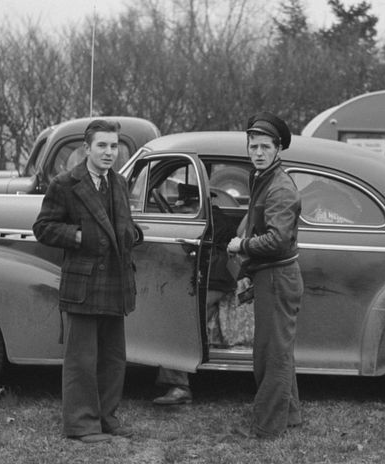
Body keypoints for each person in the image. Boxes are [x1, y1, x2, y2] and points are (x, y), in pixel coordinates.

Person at [32, 119, 143, 444]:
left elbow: (125, 221)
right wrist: (78, 235)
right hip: (84, 284)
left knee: (112, 358)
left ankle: (107, 418)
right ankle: (81, 424)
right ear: (87, 148)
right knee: (82, 359)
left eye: (114, 146)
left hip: (116, 282)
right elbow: (43, 228)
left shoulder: (119, 183)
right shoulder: (65, 184)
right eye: (102, 146)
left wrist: (131, 232)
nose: (109, 152)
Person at [226, 112, 304, 439]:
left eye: (264, 147)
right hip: (269, 275)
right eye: (253, 146)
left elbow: (277, 239)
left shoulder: (280, 187)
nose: (258, 152)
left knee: (272, 354)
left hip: (277, 276)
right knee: (276, 349)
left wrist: (240, 244)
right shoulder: (261, 177)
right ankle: (290, 416)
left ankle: (267, 427)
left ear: (278, 150)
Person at [152, 195, 237, 405]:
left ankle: (179, 386)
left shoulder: (212, 219)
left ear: (196, 203)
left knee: (180, 319)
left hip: (214, 280)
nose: (181, 211)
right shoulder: (212, 217)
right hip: (209, 278)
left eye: (184, 207)